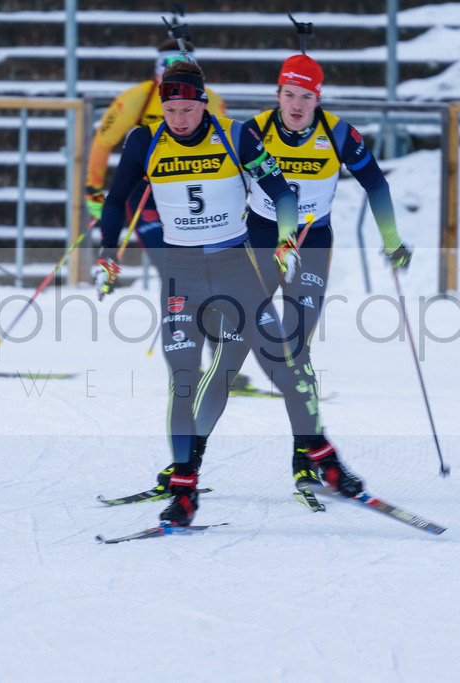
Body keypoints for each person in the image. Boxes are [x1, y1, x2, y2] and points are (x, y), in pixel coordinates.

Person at [95, 61, 357, 527]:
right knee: (182, 380)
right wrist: (107, 254)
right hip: (181, 275)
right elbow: (116, 200)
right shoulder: (143, 141)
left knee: (283, 362)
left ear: (203, 103)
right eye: (169, 109)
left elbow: (282, 194)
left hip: (236, 268)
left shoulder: (236, 136)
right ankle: (184, 488)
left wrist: (285, 236)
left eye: (186, 109)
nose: (178, 119)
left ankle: (324, 458)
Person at [191, 54, 413, 494]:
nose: (296, 105)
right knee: (230, 353)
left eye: (306, 97)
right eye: (289, 95)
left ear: (318, 98)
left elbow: (377, 184)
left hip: (310, 245)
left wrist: (391, 239)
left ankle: (305, 456)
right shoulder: (253, 130)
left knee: (295, 350)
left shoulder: (338, 133)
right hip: (259, 239)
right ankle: (185, 466)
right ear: (277, 95)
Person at [84, 39, 227, 274]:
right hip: (146, 189)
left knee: (200, 265)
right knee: (168, 263)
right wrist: (93, 188)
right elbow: (104, 138)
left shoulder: (210, 101)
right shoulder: (136, 98)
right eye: (166, 80)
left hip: (188, 187)